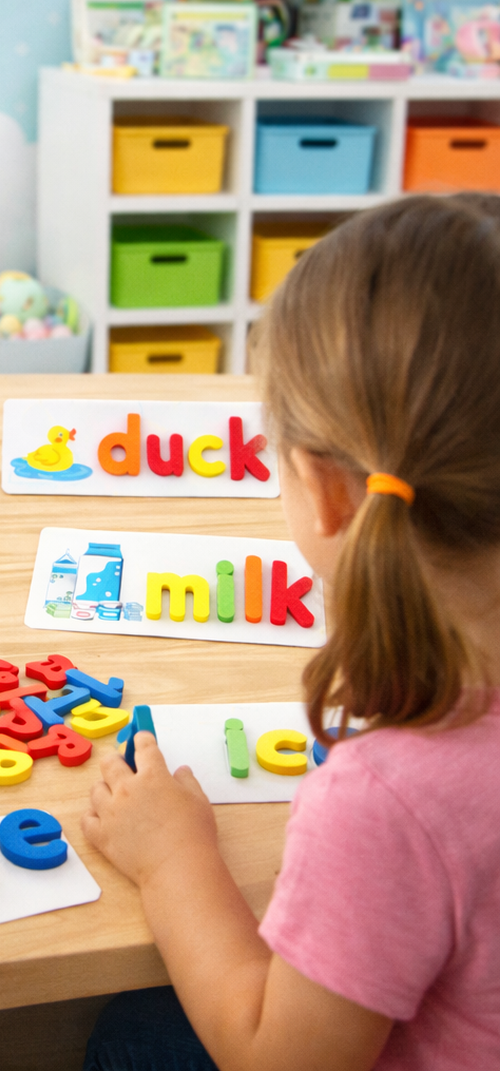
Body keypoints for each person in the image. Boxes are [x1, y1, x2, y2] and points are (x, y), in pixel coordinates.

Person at [82, 194, 500, 1071]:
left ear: (324, 490)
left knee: (127, 1033)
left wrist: (173, 861)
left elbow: (274, 1060)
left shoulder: (386, 802)